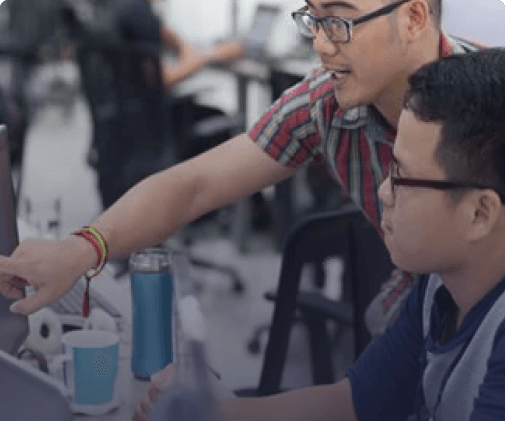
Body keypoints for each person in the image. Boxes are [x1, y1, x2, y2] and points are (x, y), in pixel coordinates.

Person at [134, 48, 505, 421]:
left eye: (401, 176)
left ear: (480, 213)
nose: (383, 192)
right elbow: (354, 406)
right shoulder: (441, 285)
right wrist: (211, 414)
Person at [0, 0, 482, 320]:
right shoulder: (324, 103)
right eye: (313, 20)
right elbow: (194, 185)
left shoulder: (490, 114)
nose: (318, 43)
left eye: (339, 21)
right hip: (417, 319)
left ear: (415, 16)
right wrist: (79, 251)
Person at [114, 0, 244, 88]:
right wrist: (212, 55)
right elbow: (163, 79)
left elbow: (175, 41)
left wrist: (194, 52)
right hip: (151, 119)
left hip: (119, 117)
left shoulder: (113, 8)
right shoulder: (138, 14)